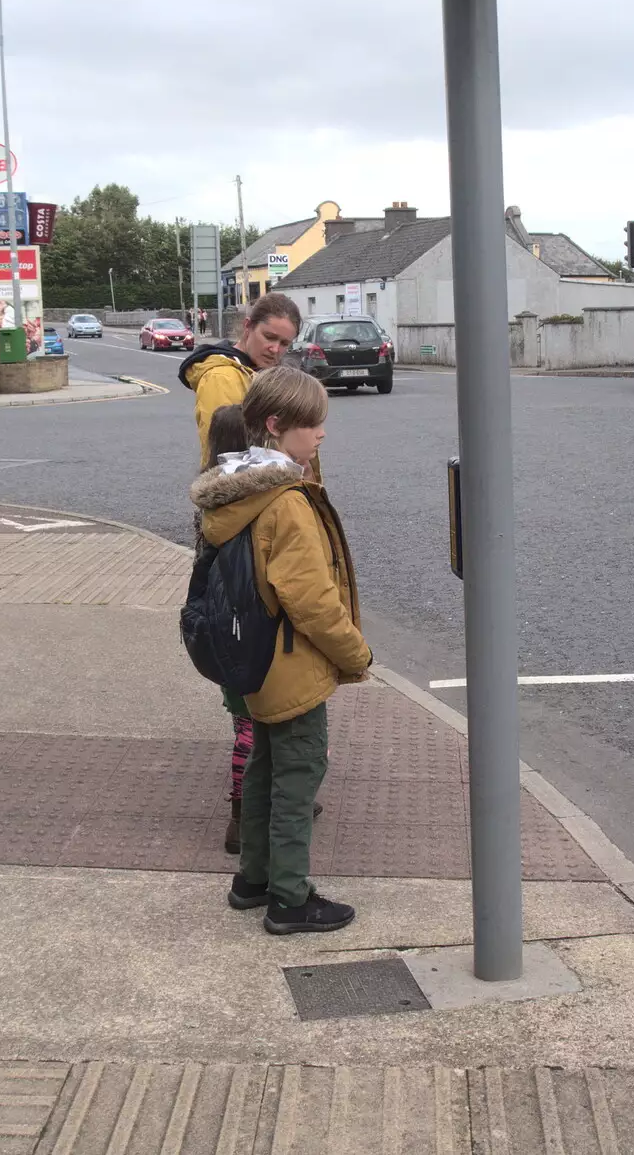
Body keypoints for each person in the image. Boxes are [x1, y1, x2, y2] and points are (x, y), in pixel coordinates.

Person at [190, 366, 369, 935]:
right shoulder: (286, 501)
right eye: (311, 424)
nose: (321, 435)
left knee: (266, 769)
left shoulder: (238, 489)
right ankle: (291, 900)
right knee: (299, 774)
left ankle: (253, 880)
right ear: (275, 424)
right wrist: (354, 653)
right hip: (290, 663)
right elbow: (312, 599)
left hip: (254, 659)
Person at [200, 404, 259, 854]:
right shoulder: (252, 496)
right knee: (255, 727)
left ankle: (249, 808)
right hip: (251, 626)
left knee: (244, 724)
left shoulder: (208, 491)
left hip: (220, 625)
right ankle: (241, 815)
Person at [178, 292, 301, 470]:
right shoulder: (222, 377)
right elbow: (228, 456)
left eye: (284, 343)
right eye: (269, 337)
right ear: (248, 326)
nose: (275, 349)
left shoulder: (265, 371)